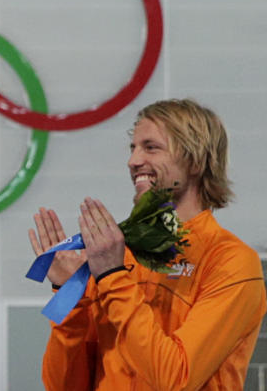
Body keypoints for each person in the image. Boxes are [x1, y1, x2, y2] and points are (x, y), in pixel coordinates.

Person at [29, 98, 267, 390]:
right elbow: (63, 386)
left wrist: (113, 278)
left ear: (194, 161)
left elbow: (175, 378)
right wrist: (71, 300)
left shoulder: (230, 261)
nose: (133, 161)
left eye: (151, 147)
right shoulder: (119, 255)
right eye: (133, 148)